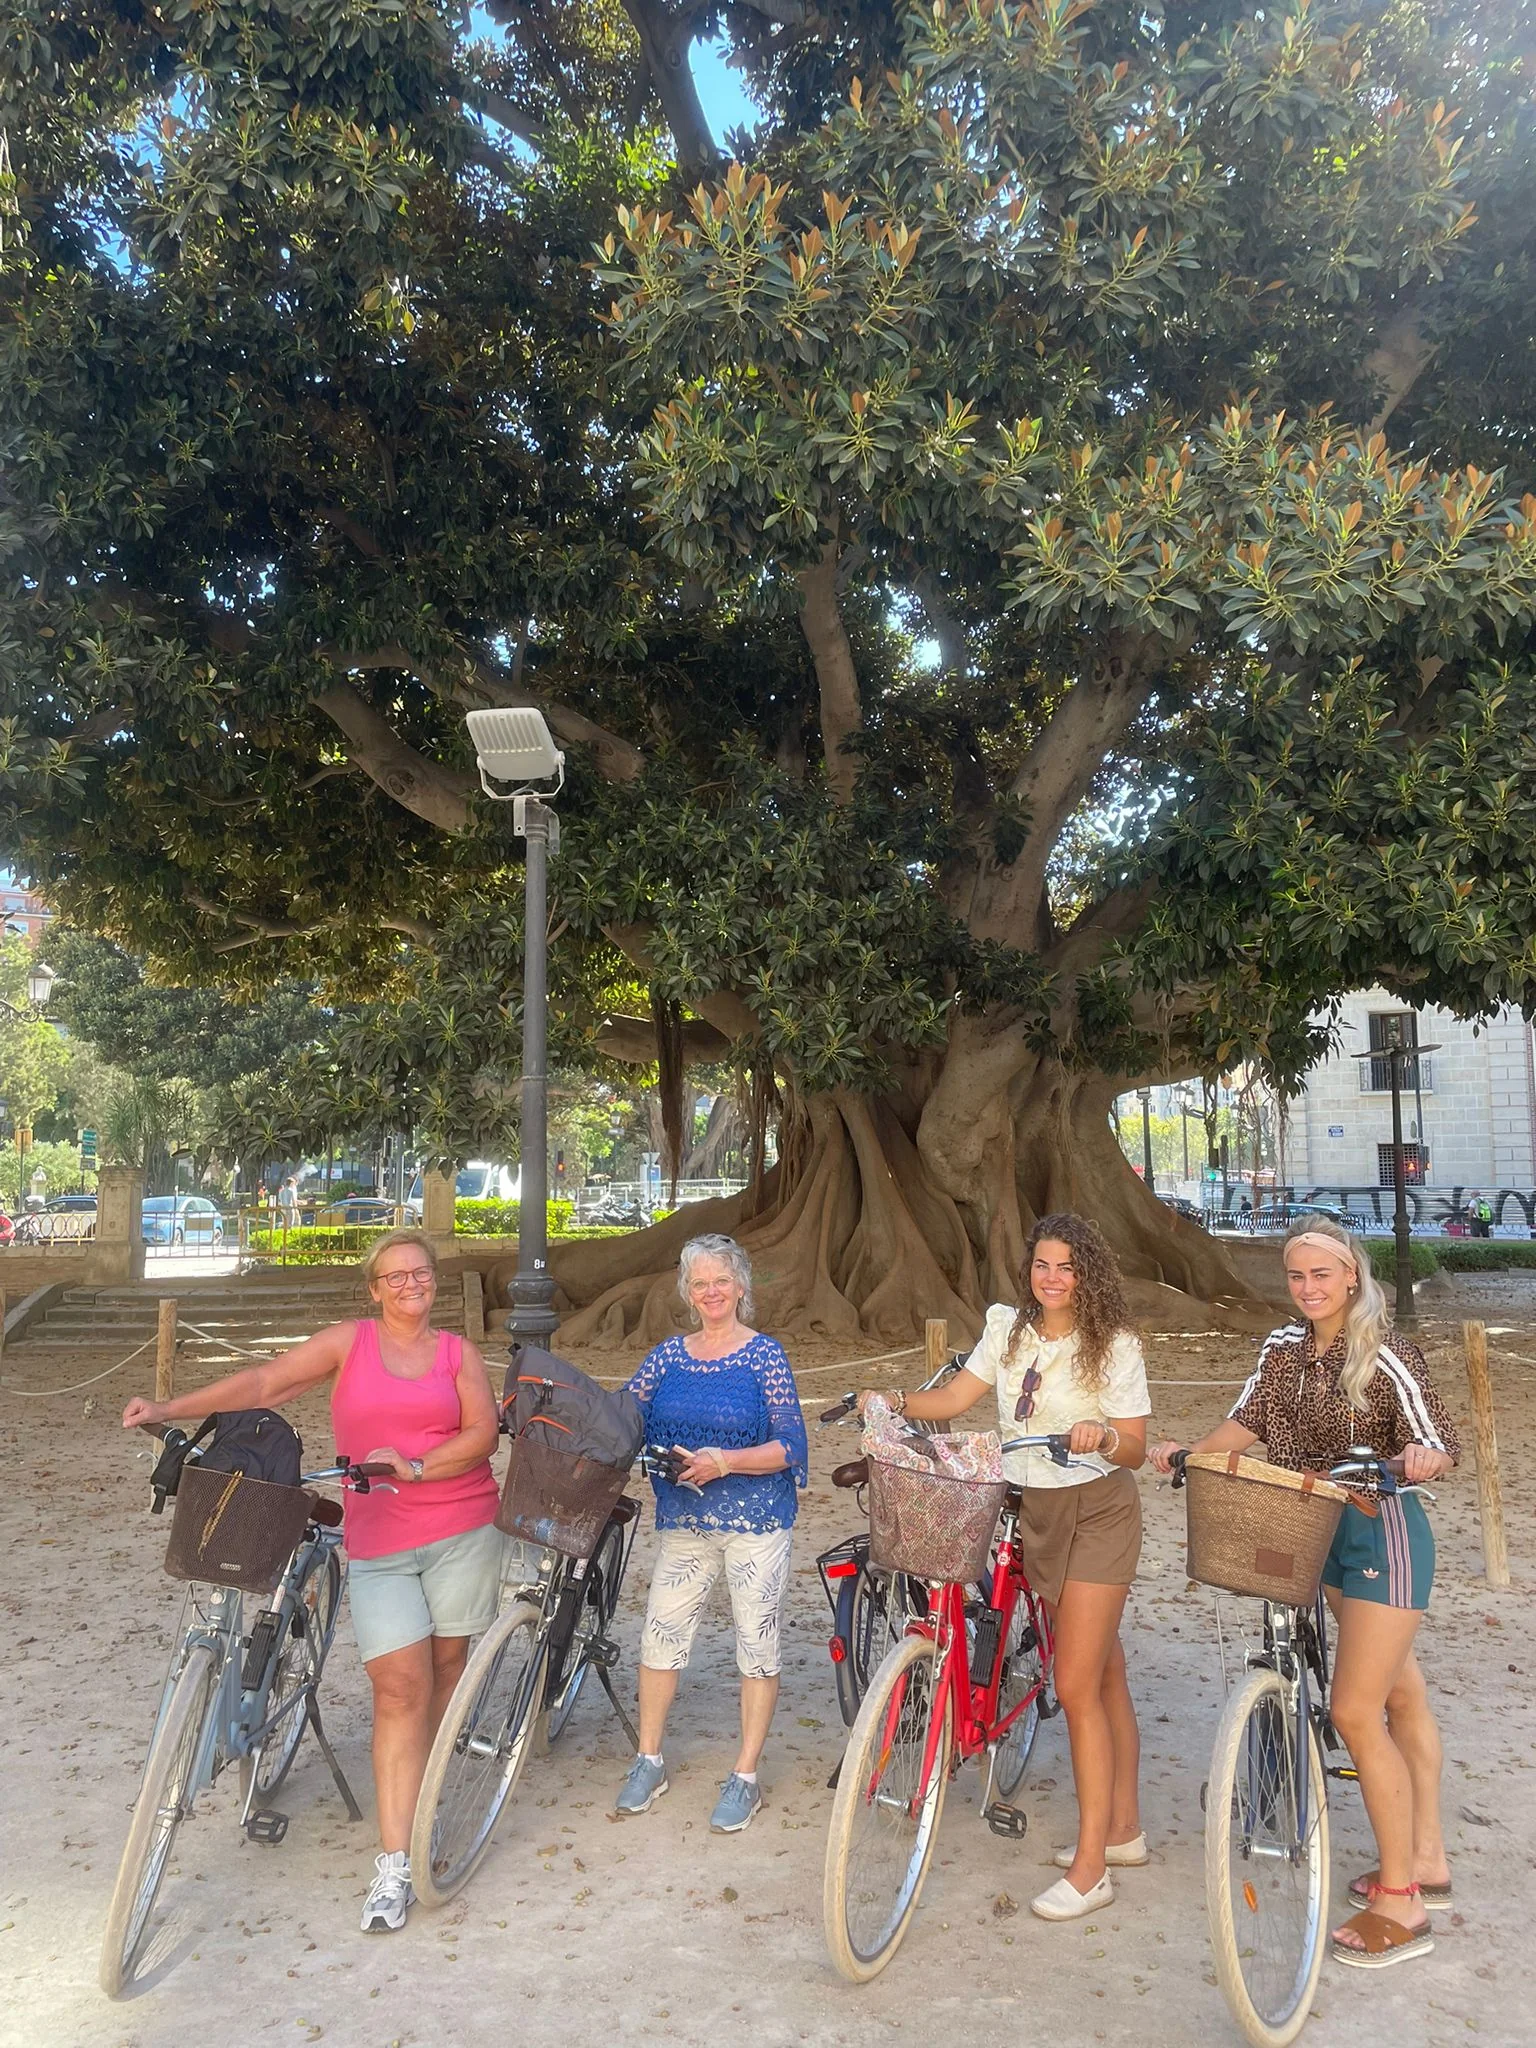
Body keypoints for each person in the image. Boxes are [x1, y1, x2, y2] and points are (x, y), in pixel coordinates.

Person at [122, 1228, 502, 1935]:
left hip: (460, 1529)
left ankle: (427, 1804)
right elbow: (267, 1382)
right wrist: (169, 1409)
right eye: (396, 1276)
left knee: (446, 1674)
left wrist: (418, 1467)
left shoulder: (458, 1354)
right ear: (373, 1288)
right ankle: (396, 1861)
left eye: (421, 1273)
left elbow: (482, 1432)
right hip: (381, 1539)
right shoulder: (348, 1343)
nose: (411, 1284)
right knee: (399, 1689)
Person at [1151, 1220, 1459, 1971]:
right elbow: (1246, 1421)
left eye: (1323, 1274)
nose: (1309, 1288)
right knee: (1401, 1693)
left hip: (1381, 1531)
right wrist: (1190, 1451)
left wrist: (1421, 1458)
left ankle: (1401, 1900)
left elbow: (1438, 1440)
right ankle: (1430, 1858)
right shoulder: (1280, 1350)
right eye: (1297, 1276)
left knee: (1356, 1709)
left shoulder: (1389, 1354)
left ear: (1351, 1275)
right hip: (1310, 1530)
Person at [859, 1211, 1151, 1922]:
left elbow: (1138, 1447)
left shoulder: (1112, 1345)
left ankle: (1090, 1871)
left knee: (1077, 1683)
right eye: (1042, 1265)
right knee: (1104, 1668)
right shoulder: (1008, 1329)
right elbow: (956, 1398)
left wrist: (1103, 1434)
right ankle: (1125, 1831)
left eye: (1066, 1267)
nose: (1051, 1278)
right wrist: (895, 1400)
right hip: (1037, 1512)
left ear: (1088, 1274)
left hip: (1100, 1511)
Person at [614, 1233, 807, 1835]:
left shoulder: (764, 1357)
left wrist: (725, 1460)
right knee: (659, 1637)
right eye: (700, 1283)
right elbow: (623, 1413)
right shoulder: (669, 1357)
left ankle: (745, 1774)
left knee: (756, 1641)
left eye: (721, 1280)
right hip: (686, 1522)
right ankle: (648, 1758)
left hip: (756, 1522)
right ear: (687, 1292)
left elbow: (790, 1447)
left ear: (741, 1287)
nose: (712, 1292)